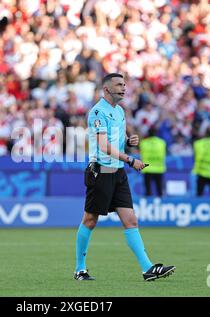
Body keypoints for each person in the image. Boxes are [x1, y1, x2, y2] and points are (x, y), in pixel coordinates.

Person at [74, 73, 175, 282]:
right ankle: (80, 269)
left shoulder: (120, 111)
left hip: (118, 172)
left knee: (130, 220)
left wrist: (129, 140)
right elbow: (103, 146)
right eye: (119, 84)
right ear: (107, 89)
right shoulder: (97, 112)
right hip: (100, 171)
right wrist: (130, 159)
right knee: (90, 220)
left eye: (124, 84)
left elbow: (115, 140)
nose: (123, 88)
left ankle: (147, 268)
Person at [140, 127, 167, 196]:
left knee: (148, 191)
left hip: (147, 169)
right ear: (156, 133)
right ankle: (161, 205)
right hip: (159, 168)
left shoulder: (143, 143)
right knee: (159, 190)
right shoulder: (162, 142)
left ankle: (147, 205)